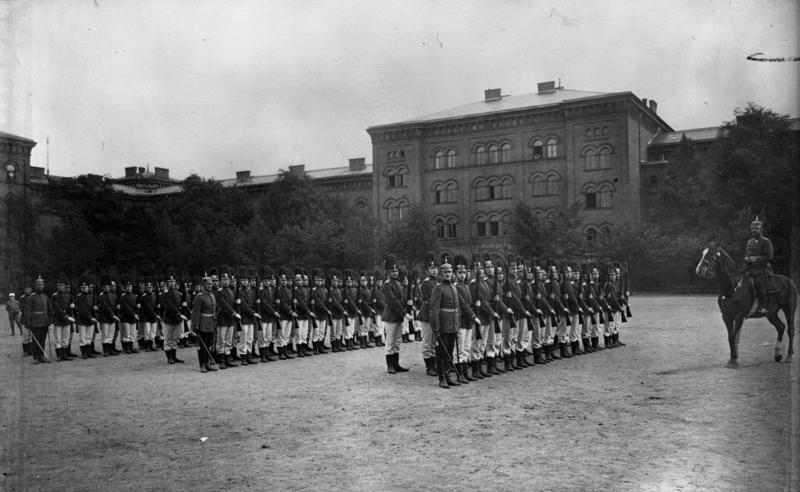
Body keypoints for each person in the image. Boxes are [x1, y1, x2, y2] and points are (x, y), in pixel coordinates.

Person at [430, 256, 460, 389]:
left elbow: (457, 308)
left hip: (453, 324)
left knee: (450, 351)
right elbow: (434, 310)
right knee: (441, 352)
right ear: (441, 274)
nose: (448, 274)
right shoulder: (438, 288)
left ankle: (448, 375)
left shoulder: (454, 287)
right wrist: (436, 327)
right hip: (443, 325)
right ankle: (442, 377)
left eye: (449, 272)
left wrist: (457, 324)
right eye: (445, 272)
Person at [453, 255, 481, 383]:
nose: (462, 275)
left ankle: (464, 372)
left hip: (468, 322)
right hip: (461, 321)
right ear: (455, 273)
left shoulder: (465, 286)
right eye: (460, 272)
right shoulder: (457, 287)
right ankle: (460, 374)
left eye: (464, 272)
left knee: (467, 347)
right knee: (459, 348)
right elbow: (463, 304)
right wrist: (474, 316)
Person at [381, 255, 411, 374]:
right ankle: (390, 365)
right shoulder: (386, 285)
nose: (395, 273)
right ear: (388, 272)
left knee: (397, 341)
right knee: (390, 341)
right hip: (391, 316)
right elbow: (393, 301)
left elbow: (401, 299)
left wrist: (408, 303)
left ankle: (396, 363)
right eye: (392, 271)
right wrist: (405, 313)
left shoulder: (398, 283)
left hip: (398, 316)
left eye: (396, 270)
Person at [469, 255, 494, 378]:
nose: (479, 270)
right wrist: (491, 312)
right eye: (476, 267)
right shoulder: (474, 284)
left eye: (481, 267)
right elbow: (482, 301)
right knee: (476, 343)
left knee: (483, 343)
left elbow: (486, 299)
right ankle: (475, 369)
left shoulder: (484, 282)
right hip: (479, 315)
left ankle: (479, 367)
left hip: (485, 316)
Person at [744, 216, 774, 315]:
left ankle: (763, 306)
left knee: (759, 283)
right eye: (752, 229)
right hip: (750, 268)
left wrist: (755, 259)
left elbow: (769, 256)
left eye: (756, 228)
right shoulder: (749, 242)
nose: (754, 230)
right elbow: (747, 254)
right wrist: (746, 259)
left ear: (761, 229)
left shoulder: (766, 241)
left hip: (762, 268)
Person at [191, 275, 219, 373]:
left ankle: (207, 363)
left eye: (211, 284)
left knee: (209, 344)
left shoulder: (212, 295)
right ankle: (202, 364)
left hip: (211, 323)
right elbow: (195, 312)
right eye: (207, 284)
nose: (210, 286)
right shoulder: (199, 296)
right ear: (203, 285)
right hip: (203, 323)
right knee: (202, 345)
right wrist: (195, 325)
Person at [416, 253, 438, 374]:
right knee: (428, 340)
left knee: (434, 341)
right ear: (426, 270)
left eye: (435, 268)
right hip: (427, 314)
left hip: (435, 314)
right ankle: (429, 367)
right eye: (431, 268)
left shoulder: (437, 282)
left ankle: (433, 364)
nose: (434, 270)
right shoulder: (426, 283)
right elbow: (431, 301)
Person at [160, 268, 185, 364]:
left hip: (177, 319)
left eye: (173, 281)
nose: (172, 283)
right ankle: (169, 357)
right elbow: (169, 305)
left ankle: (174, 356)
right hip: (169, 318)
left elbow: (180, 304)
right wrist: (179, 313)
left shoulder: (177, 292)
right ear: (166, 283)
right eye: (170, 281)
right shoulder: (165, 294)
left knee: (175, 338)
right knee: (168, 338)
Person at [24, 275, 51, 363]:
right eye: (38, 285)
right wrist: (27, 322)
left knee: (42, 340)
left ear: (43, 286)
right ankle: (36, 357)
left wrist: (49, 320)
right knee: (36, 340)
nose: (40, 286)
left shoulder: (45, 296)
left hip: (44, 321)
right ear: (35, 286)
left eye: (42, 285)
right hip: (35, 322)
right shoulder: (31, 297)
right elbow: (27, 311)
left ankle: (41, 356)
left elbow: (49, 310)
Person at [51, 274, 75, 361]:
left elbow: (69, 308)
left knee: (66, 338)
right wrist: (66, 316)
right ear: (57, 286)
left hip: (67, 319)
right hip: (58, 319)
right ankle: (59, 356)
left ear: (64, 286)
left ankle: (65, 355)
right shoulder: (54, 296)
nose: (61, 287)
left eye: (62, 285)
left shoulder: (68, 296)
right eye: (59, 285)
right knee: (58, 339)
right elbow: (56, 308)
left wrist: (72, 306)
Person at [75, 276, 98, 359]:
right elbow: (82, 310)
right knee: (82, 337)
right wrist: (90, 317)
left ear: (88, 287)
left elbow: (92, 308)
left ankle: (88, 352)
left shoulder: (91, 296)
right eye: (82, 287)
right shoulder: (78, 296)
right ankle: (84, 353)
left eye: (85, 287)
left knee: (89, 337)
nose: (84, 289)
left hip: (91, 319)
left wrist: (95, 310)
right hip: (83, 320)